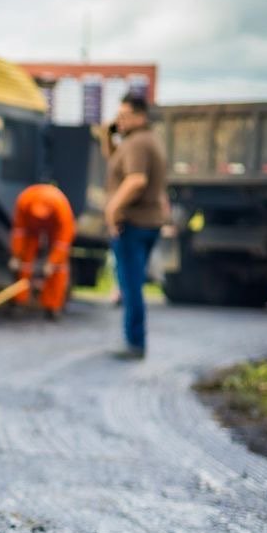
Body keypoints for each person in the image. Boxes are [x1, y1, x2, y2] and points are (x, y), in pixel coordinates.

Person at [101, 93, 168, 359]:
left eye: (124, 115)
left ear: (140, 116)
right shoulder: (143, 140)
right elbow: (114, 160)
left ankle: (135, 342)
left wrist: (112, 209)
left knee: (130, 285)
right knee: (132, 282)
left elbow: (136, 180)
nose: (119, 120)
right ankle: (134, 339)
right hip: (146, 222)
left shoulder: (137, 143)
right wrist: (108, 134)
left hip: (133, 223)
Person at [9, 183, 75, 318]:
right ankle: (19, 301)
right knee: (24, 263)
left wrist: (52, 262)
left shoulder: (62, 207)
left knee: (59, 267)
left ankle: (52, 306)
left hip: (54, 229)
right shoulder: (25, 200)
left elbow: (63, 242)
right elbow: (19, 232)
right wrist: (16, 255)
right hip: (31, 228)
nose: (41, 217)